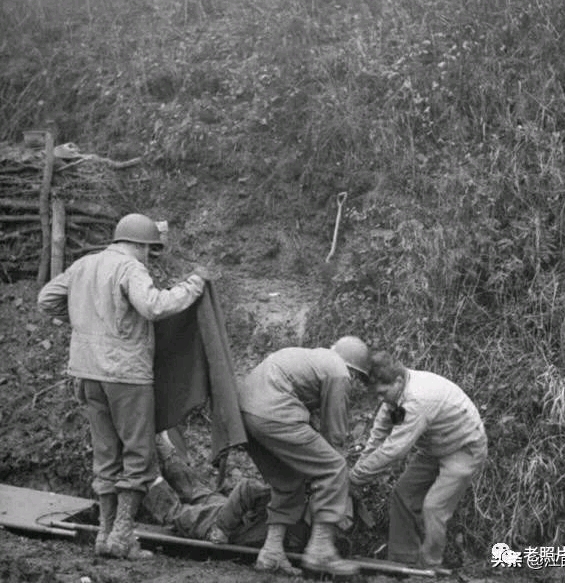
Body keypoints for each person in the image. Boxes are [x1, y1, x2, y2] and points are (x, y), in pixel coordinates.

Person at [37, 213, 208, 560]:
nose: (150, 255)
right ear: (142, 245)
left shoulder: (84, 265)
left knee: (106, 454)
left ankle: (104, 535)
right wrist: (192, 286)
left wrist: (85, 323)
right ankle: (123, 536)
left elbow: (46, 300)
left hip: (87, 372)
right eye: (150, 249)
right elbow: (153, 306)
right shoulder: (131, 268)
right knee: (138, 455)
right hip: (126, 374)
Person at [236, 336, 371, 576]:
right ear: (353, 368)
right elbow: (334, 432)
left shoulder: (313, 358)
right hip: (275, 413)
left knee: (288, 480)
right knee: (334, 467)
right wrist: (338, 480)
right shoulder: (339, 372)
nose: (355, 383)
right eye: (358, 377)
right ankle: (320, 548)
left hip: (246, 414)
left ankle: (271, 552)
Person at [349, 351, 487, 575]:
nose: (380, 399)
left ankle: (428, 569)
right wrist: (357, 472)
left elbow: (395, 449)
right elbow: (378, 436)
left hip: (464, 447)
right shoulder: (394, 396)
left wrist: (354, 478)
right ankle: (402, 561)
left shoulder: (418, 398)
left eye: (382, 393)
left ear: (398, 381)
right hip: (434, 447)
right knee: (403, 494)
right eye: (376, 394)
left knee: (434, 507)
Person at [144, 431, 278, 547]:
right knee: (175, 514)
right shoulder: (295, 517)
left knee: (194, 492)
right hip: (228, 523)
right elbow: (249, 488)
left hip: (233, 514)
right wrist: (222, 528)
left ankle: (154, 443)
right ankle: (142, 466)